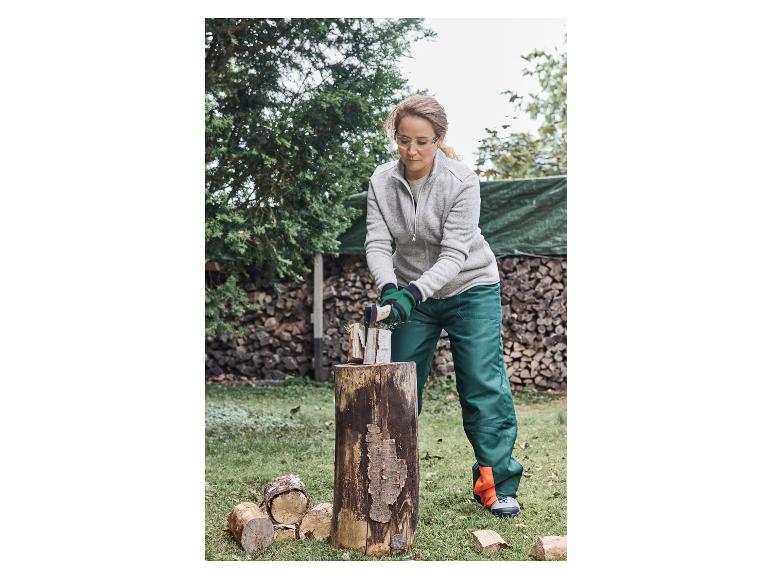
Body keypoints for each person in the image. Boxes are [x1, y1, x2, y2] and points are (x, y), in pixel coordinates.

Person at [364, 94, 524, 517]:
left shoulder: (461, 181)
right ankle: (388, 480)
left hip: (470, 287)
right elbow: (377, 243)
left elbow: (454, 254)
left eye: (422, 141)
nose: (412, 150)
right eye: (403, 140)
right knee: (397, 385)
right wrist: (389, 289)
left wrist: (412, 293)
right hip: (410, 295)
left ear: (439, 139)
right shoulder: (381, 181)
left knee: (481, 384)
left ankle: (495, 484)